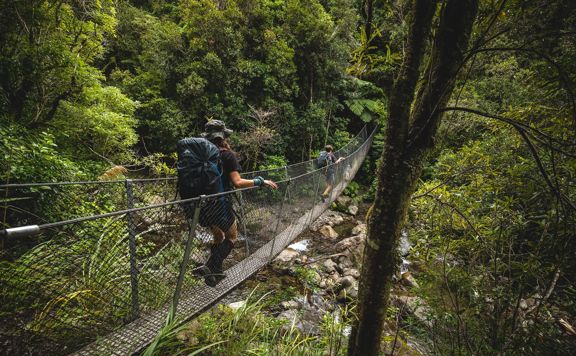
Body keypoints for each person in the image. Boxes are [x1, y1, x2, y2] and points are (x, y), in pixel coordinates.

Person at [195, 120, 278, 286]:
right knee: (232, 236)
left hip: (200, 204)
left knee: (218, 235)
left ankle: (213, 270)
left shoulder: (199, 155)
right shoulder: (226, 155)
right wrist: (261, 181)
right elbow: (237, 182)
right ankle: (211, 267)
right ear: (223, 136)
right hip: (219, 204)